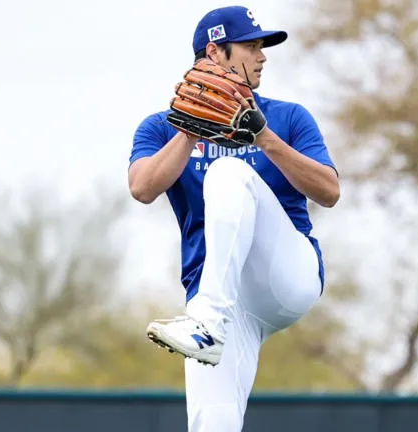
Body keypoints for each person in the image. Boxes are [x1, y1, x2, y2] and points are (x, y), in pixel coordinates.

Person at [127, 5, 339, 431]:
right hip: (224, 305)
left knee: (228, 172)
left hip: (284, 273)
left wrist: (264, 137)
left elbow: (329, 191)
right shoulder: (161, 127)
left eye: (262, 46)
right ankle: (208, 325)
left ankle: (205, 322)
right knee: (212, 422)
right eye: (250, 46)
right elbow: (142, 188)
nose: (262, 56)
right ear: (214, 54)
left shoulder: (286, 118)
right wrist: (189, 130)